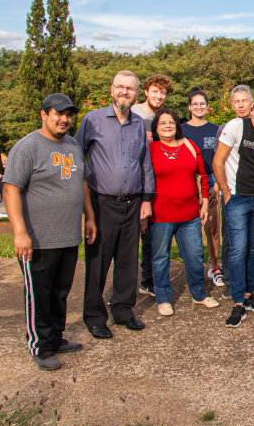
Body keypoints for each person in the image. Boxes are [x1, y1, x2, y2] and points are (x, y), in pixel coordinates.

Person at [4, 94, 97, 371]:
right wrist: (20, 232)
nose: (64, 120)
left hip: (67, 235)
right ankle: (40, 346)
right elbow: (11, 189)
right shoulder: (28, 147)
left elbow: (81, 183)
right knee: (39, 295)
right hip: (38, 239)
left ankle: (55, 338)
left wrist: (90, 217)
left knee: (59, 292)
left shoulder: (72, 145)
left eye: (68, 115)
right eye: (59, 114)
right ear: (44, 114)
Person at [75, 70, 154, 339]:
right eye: (120, 87)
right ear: (111, 89)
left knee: (127, 260)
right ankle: (95, 316)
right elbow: (75, 155)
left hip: (132, 203)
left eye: (130, 89)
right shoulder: (92, 120)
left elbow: (144, 163)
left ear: (136, 93)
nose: (124, 92)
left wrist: (146, 200)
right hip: (101, 203)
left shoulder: (138, 124)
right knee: (97, 262)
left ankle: (123, 309)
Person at [214, 93, 254, 328]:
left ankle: (249, 295)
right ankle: (238, 301)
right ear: (253, 110)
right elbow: (217, 161)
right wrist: (226, 194)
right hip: (237, 198)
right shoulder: (235, 126)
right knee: (238, 249)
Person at [149, 108, 218, 316]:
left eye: (171, 122)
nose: (168, 126)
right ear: (156, 128)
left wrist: (205, 202)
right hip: (160, 216)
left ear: (177, 125)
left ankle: (198, 293)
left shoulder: (189, 145)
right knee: (161, 257)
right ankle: (163, 297)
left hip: (189, 214)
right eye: (162, 123)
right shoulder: (150, 149)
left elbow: (203, 176)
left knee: (195, 255)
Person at [215, 85, 254, 297]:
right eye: (237, 101)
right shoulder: (227, 127)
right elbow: (219, 161)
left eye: (245, 100)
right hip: (233, 193)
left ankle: (253, 280)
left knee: (253, 243)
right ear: (232, 104)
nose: (241, 105)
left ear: (252, 104)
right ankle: (229, 279)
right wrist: (224, 192)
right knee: (232, 241)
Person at [131, 73, 172, 298]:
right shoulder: (134, 113)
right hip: (134, 181)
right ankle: (140, 280)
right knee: (138, 233)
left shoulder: (163, 117)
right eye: (155, 91)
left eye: (163, 92)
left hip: (156, 181)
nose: (159, 95)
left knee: (151, 233)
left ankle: (149, 279)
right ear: (145, 92)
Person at [181, 87, 221, 287]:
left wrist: (218, 186)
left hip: (211, 181)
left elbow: (220, 159)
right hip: (187, 181)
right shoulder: (181, 129)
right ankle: (194, 270)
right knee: (190, 229)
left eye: (202, 104)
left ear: (207, 106)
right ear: (189, 106)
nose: (199, 107)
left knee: (212, 228)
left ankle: (214, 268)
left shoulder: (215, 129)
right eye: (194, 104)